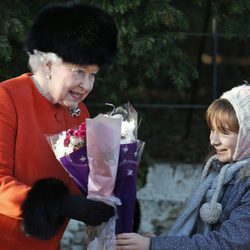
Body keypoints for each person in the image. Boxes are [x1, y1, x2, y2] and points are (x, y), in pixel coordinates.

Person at [0, 2, 118, 250]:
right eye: (78, 72)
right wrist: (57, 204)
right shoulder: (6, 98)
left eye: (93, 74)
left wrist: (111, 200)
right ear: (48, 64)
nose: (86, 85)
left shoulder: (79, 111)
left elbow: (82, 179)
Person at [116, 84, 250, 250]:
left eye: (225, 132)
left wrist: (154, 245)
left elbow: (227, 244)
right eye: (212, 130)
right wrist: (157, 242)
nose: (213, 140)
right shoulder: (218, 174)